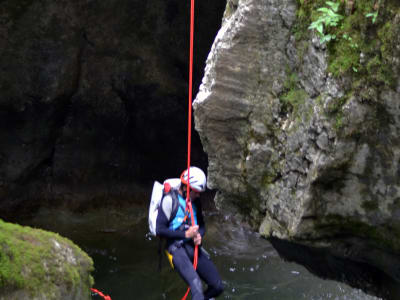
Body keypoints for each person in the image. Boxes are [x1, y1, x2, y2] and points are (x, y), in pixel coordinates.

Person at [156, 166, 224, 300]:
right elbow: (160, 230)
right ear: (186, 188)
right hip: (175, 247)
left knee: (217, 286)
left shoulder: (195, 202)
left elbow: (202, 225)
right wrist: (185, 235)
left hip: (192, 245)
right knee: (196, 285)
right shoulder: (169, 201)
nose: (199, 195)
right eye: (196, 192)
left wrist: (199, 235)